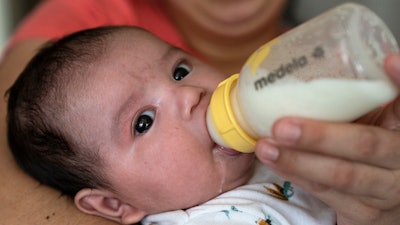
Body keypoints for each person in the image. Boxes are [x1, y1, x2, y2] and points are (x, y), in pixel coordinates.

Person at [1, 0, 400, 224]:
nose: (190, 94)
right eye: (144, 121)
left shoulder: (290, 136)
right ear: (113, 206)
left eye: (179, 70)